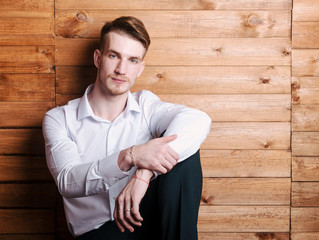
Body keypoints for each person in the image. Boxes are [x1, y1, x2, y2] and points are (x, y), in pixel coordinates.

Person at [42, 16, 211, 240]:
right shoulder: (59, 119)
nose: (122, 69)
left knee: (184, 153)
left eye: (132, 60)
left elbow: (198, 119)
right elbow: (68, 180)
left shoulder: (146, 105)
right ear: (98, 58)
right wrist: (129, 156)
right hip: (100, 232)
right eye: (114, 56)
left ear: (140, 69)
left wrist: (144, 171)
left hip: (150, 221)